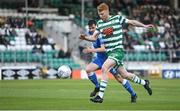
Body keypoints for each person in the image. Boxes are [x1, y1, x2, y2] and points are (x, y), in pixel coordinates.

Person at [79, 3, 152, 103]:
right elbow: (93, 38)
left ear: (107, 11)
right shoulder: (100, 24)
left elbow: (131, 22)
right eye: (99, 14)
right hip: (110, 54)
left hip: (117, 51)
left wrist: (144, 26)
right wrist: (85, 38)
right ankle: (144, 83)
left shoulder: (117, 18)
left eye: (102, 14)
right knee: (125, 75)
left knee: (105, 68)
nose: (101, 16)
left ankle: (100, 96)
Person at [83, 20, 137, 103]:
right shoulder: (91, 34)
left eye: (93, 28)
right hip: (99, 59)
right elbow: (92, 41)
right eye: (90, 28)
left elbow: (103, 48)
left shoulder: (101, 35)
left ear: (96, 27)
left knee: (119, 78)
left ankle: (133, 94)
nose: (91, 30)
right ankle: (97, 86)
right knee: (88, 69)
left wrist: (91, 50)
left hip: (109, 59)